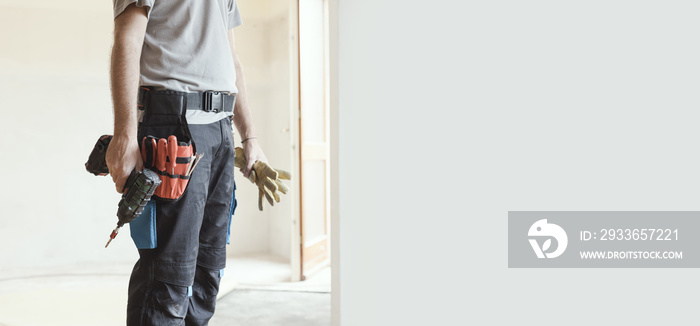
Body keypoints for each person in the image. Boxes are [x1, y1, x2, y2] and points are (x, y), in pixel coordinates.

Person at [104, 0, 266, 324]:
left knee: (207, 273)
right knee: (167, 277)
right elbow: (128, 38)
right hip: (173, 125)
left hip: (220, 129)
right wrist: (124, 133)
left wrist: (249, 137)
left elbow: (232, 59)